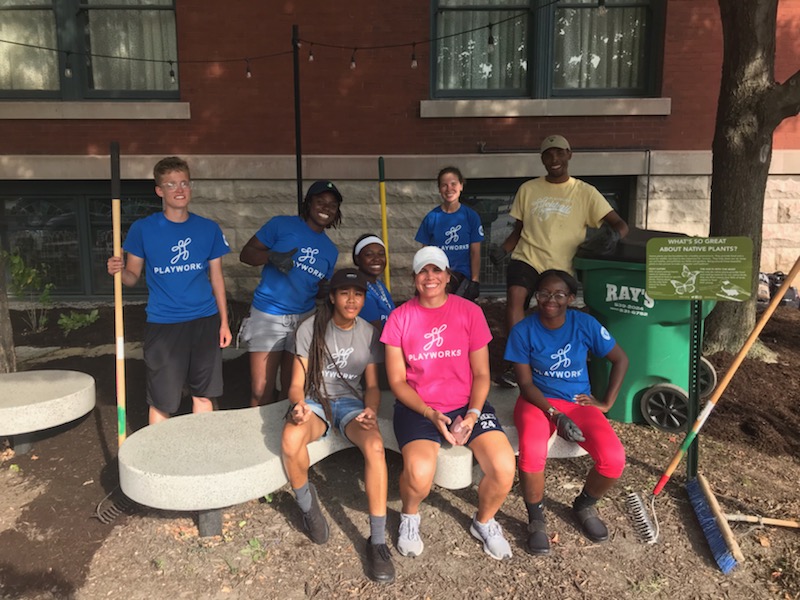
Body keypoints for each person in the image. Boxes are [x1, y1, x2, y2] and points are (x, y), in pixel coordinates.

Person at [381, 246, 516, 560]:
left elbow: (482, 374)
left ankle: (483, 521)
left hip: (466, 404)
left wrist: (471, 414)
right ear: (414, 277)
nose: (431, 277)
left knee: (503, 466)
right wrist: (430, 414)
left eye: (437, 270)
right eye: (423, 271)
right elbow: (398, 382)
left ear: (448, 275)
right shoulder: (400, 318)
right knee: (418, 472)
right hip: (419, 407)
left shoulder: (469, 312)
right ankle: (410, 516)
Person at [504, 269, 629, 555]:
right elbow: (524, 384)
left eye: (559, 294)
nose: (551, 300)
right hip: (538, 401)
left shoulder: (584, 323)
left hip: (577, 401)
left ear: (570, 298)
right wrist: (553, 414)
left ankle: (585, 505)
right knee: (533, 451)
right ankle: (536, 519)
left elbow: (620, 359)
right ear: (536, 296)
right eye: (544, 293)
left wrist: (606, 403)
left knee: (613, 458)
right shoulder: (524, 329)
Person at [281, 268, 394, 583]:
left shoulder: (368, 333)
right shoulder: (310, 328)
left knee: (374, 446)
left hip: (351, 404)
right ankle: (307, 505)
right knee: (290, 440)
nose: (352, 299)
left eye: (358, 293)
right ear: (332, 297)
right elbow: (296, 383)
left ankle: (378, 540)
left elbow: (372, 386)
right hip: (315, 401)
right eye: (344, 293)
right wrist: (297, 406)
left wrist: (371, 410)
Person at [491, 134, 629, 387]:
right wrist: (504, 249)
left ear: (569, 154)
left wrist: (613, 237)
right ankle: (517, 362)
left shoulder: (585, 192)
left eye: (559, 153)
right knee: (515, 296)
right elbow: (519, 228)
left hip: (561, 264)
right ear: (542, 159)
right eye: (548, 154)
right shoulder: (528, 189)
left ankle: (551, 360)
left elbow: (620, 223)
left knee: (553, 313)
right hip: (528, 256)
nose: (554, 159)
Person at [107, 156, 232, 425]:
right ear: (159, 191)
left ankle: (202, 451)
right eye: (171, 184)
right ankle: (159, 460)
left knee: (203, 395)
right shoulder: (143, 229)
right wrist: (118, 270)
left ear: (191, 186)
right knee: (163, 401)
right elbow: (131, 277)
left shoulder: (208, 228)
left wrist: (224, 322)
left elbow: (217, 279)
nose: (179, 189)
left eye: (184, 183)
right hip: (165, 324)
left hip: (204, 320)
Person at [239, 180, 342, 406]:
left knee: (291, 389)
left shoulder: (330, 250)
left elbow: (316, 287)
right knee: (260, 390)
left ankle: (282, 435)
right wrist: (271, 256)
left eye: (332, 205)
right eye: (320, 202)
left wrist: (324, 290)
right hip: (268, 315)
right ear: (308, 204)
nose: (326, 208)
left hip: (303, 320)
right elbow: (246, 254)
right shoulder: (281, 225)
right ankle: (256, 438)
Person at [415, 167, 483, 301]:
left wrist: (475, 280)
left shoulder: (471, 216)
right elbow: (425, 253)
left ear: (461, 186)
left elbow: (475, 252)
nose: (449, 189)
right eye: (444, 185)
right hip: (437, 274)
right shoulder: (432, 217)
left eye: (453, 184)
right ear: (439, 189)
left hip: (462, 276)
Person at [352, 233, 395, 331]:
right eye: (369, 255)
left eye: (381, 254)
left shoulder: (380, 285)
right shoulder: (358, 289)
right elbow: (374, 331)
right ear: (357, 259)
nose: (376, 259)